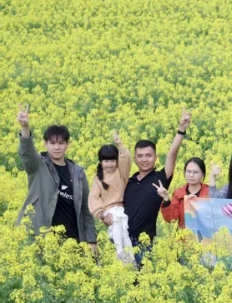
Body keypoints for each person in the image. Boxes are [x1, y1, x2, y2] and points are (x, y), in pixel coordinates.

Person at [15, 104, 97, 252]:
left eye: (61, 143)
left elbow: (86, 209)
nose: (56, 147)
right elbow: (26, 152)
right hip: (41, 238)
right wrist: (25, 127)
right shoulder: (37, 166)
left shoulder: (78, 173)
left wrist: (91, 240)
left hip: (72, 241)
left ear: (67, 145)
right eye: (52, 143)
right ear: (45, 144)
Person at [124, 108, 191, 262]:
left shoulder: (160, 178)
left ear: (155, 157)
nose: (144, 159)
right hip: (122, 238)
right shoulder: (128, 181)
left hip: (144, 241)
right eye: (140, 156)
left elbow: (172, 154)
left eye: (148, 155)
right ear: (134, 159)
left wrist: (181, 128)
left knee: (142, 274)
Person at [88, 130, 133, 262]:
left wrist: (120, 145)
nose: (109, 164)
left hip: (121, 208)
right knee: (116, 221)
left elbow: (126, 159)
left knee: (125, 235)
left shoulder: (121, 173)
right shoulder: (98, 179)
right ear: (100, 162)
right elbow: (94, 197)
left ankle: (130, 262)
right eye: (106, 161)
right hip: (109, 211)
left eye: (112, 160)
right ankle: (119, 251)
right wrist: (102, 215)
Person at [161, 158, 210, 229]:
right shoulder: (178, 193)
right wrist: (166, 200)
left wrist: (198, 203)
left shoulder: (210, 192)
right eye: (188, 171)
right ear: (185, 172)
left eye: (195, 172)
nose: (191, 175)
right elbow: (172, 218)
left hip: (206, 234)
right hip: (184, 235)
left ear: (202, 174)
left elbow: (214, 217)